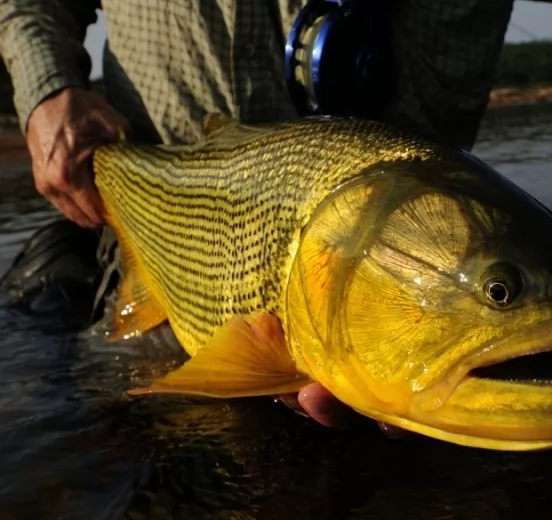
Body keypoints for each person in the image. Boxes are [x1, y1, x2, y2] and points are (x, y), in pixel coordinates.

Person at [0, 0, 514, 433]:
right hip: (146, 198)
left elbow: (433, 121)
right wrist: (46, 88)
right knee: (99, 430)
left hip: (342, 231)